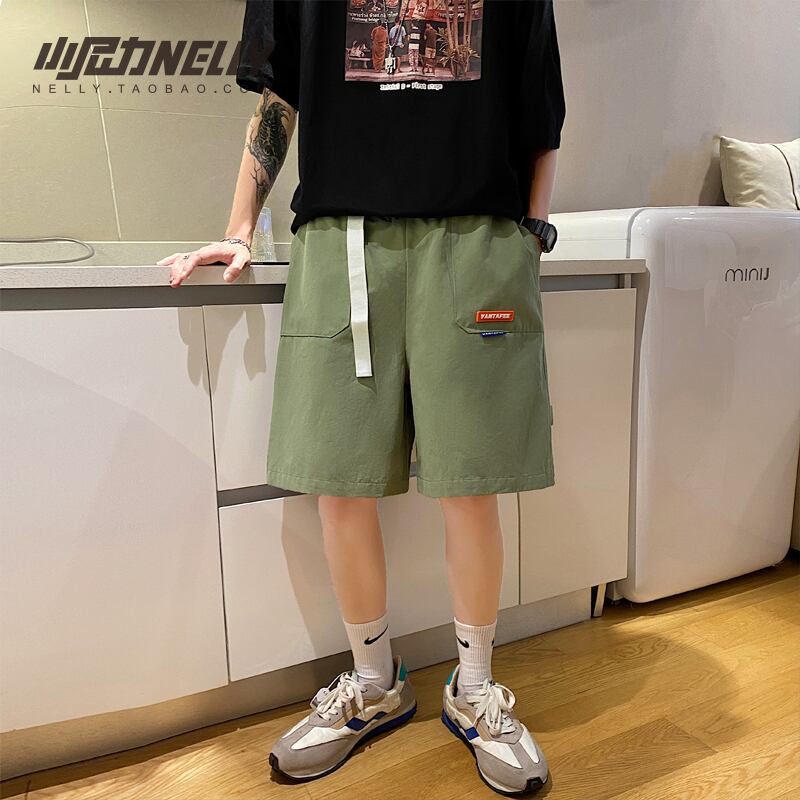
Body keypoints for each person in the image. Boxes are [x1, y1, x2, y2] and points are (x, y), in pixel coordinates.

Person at [158, 0, 566, 795]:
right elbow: (278, 96)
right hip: (338, 239)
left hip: (475, 239)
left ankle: (475, 686)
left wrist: (532, 234)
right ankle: (375, 683)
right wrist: (240, 228)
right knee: (338, 481)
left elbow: (538, 107)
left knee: (471, 484)